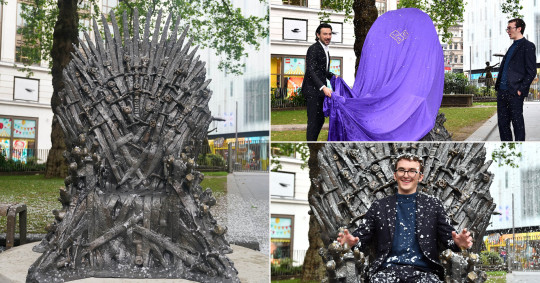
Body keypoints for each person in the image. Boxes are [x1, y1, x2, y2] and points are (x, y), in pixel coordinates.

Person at [337, 153, 473, 282]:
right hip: (386, 272)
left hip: (425, 273)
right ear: (395, 175)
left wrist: (458, 243)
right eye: (401, 170)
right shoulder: (379, 206)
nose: (406, 175)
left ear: (420, 177)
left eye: (412, 171)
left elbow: (449, 239)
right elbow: (361, 238)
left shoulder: (433, 205)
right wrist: (351, 244)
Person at [494, 18, 537, 141]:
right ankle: (506, 149)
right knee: (503, 124)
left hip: (514, 92)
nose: (508, 31)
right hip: (502, 92)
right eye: (507, 28)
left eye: (510, 28)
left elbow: (531, 71)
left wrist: (521, 89)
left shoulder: (528, 46)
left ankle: (520, 150)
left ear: (519, 29)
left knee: (517, 124)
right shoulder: (511, 47)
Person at [302, 23, 335, 141]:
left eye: (330, 34)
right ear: (318, 35)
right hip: (313, 91)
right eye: (325, 34)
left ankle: (313, 140)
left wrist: (333, 76)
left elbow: (322, 70)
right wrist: (323, 87)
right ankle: (311, 143)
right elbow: (311, 71)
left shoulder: (325, 49)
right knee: (313, 122)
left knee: (320, 120)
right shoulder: (313, 49)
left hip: (320, 92)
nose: (328, 36)